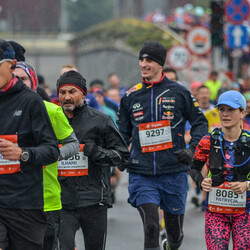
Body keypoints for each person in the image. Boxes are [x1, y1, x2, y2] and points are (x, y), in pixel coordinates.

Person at [117, 41, 208, 250]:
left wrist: (193, 149)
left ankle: (172, 242)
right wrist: (120, 154)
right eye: (141, 59)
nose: (143, 64)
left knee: (174, 234)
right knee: (151, 226)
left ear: (159, 63)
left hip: (174, 171)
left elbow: (200, 123)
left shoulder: (179, 92)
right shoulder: (131, 96)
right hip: (142, 172)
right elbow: (121, 133)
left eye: (148, 60)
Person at [56, 70, 130, 250]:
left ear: (83, 93)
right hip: (62, 201)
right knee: (64, 246)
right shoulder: (52, 120)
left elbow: (123, 157)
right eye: (62, 92)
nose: (67, 97)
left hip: (93, 199)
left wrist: (97, 152)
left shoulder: (101, 121)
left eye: (72, 92)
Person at [0, 39, 59, 250]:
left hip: (25, 204)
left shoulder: (31, 101)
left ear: (12, 65)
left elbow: (52, 150)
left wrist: (22, 154)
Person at [14, 61, 80, 250]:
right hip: (10, 199)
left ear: (33, 82)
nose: (19, 82)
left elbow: (73, 144)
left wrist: (54, 154)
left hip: (46, 200)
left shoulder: (51, 110)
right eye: (15, 78)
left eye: (23, 79)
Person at [190, 90, 250, 250]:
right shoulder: (207, 141)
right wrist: (202, 182)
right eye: (222, 109)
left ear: (242, 112)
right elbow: (193, 169)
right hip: (216, 211)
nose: (225, 114)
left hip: (245, 212)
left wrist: (246, 185)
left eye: (231, 110)